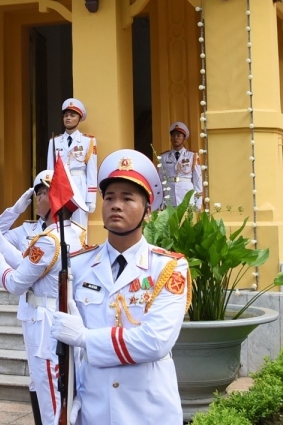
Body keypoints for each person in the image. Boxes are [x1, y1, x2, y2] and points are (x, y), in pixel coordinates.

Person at [46, 149, 190, 425]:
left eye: (127, 198)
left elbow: (155, 341)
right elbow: (65, 346)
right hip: (93, 408)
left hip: (147, 411)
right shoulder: (78, 266)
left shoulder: (168, 268)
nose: (115, 205)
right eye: (109, 198)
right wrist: (65, 404)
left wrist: (87, 338)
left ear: (148, 211)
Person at [0, 168, 87, 425]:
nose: (37, 197)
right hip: (51, 314)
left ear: (54, 199)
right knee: (54, 387)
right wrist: (13, 211)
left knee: (50, 389)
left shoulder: (49, 239)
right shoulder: (76, 232)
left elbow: (18, 279)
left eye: (42, 192)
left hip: (44, 322)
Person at [45, 98, 98, 229]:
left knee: (79, 226)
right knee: (60, 226)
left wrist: (91, 199)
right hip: (60, 185)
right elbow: (50, 170)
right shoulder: (55, 141)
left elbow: (91, 171)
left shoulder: (87, 141)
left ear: (79, 119)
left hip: (79, 184)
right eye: (66, 115)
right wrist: (50, 194)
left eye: (72, 115)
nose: (68, 118)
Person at [159, 121, 203, 210]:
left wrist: (197, 202)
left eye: (179, 135)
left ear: (184, 138)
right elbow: (161, 180)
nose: (176, 138)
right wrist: (160, 202)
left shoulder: (192, 156)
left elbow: (197, 180)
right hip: (169, 197)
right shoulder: (163, 157)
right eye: (173, 135)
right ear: (171, 138)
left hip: (186, 196)